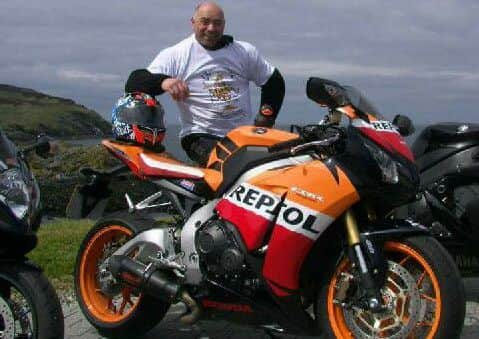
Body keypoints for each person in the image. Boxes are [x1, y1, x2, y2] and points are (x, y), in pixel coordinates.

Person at [124, 1, 285, 166]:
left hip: (242, 136)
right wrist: (164, 81)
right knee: (233, 165)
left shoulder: (243, 51)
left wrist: (266, 118)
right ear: (193, 23)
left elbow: (273, 81)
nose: (211, 28)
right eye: (205, 22)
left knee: (282, 164)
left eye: (217, 23)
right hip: (200, 135)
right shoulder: (177, 54)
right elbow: (134, 82)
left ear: (224, 25)